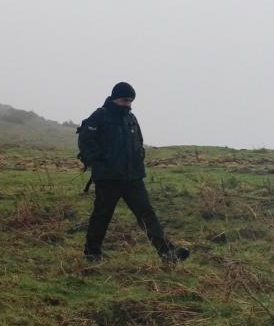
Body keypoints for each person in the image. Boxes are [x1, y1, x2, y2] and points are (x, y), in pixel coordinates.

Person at [77, 82, 191, 264]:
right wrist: (102, 161)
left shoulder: (131, 118)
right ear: (115, 98)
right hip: (108, 179)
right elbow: (85, 142)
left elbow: (138, 142)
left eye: (130, 101)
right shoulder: (100, 116)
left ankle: (167, 253)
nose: (128, 104)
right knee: (102, 216)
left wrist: (139, 158)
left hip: (133, 178)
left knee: (147, 215)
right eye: (125, 100)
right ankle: (92, 254)